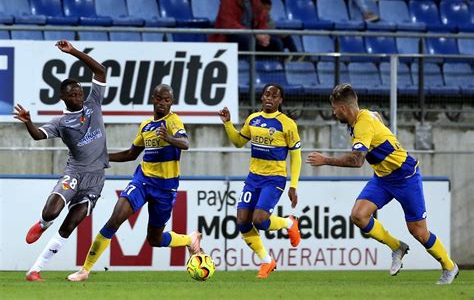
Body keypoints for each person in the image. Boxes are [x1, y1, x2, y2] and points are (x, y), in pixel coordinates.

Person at [306, 83, 459, 285]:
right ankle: (397, 247)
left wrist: (326, 160)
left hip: (405, 177)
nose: (333, 113)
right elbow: (377, 117)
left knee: (419, 232)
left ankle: (449, 266)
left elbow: (357, 161)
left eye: (334, 109)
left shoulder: (362, 125)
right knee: (358, 215)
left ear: (343, 108)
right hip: (383, 178)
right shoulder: (365, 116)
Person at [67, 84, 202, 282]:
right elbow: (131, 154)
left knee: (155, 239)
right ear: (153, 99)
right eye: (159, 99)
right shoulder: (146, 125)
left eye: (167, 100)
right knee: (115, 219)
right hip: (143, 180)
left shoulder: (173, 121)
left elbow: (186, 144)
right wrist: (102, 158)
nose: (162, 103)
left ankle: (189, 240)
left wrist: (170, 138)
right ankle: (85, 270)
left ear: (171, 103)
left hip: (165, 188)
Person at [14, 40, 108, 282]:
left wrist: (74, 52)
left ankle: (34, 270)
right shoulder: (60, 122)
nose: (79, 96)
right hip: (75, 174)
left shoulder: (93, 103)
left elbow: (100, 71)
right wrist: (28, 122)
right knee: (52, 211)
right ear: (63, 97)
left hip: (95, 180)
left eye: (80, 92)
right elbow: (38, 136)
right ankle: (43, 223)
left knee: (70, 224)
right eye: (73, 94)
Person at [218, 83, 302, 279]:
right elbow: (239, 143)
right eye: (266, 94)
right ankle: (266, 260)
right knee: (242, 221)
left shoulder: (287, 124)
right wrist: (228, 123)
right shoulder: (253, 119)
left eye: (274, 96)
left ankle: (289, 223)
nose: (269, 98)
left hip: (274, 179)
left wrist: (294, 185)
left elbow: (296, 156)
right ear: (262, 97)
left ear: (280, 100)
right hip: (253, 178)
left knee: (260, 220)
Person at [209, 0, 284, 52]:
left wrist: (263, 35)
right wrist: (254, 34)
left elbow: (262, 22)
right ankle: (245, 66)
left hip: (251, 37)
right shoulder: (228, 0)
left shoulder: (255, 1)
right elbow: (229, 25)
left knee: (276, 43)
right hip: (230, 39)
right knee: (245, 39)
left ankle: (275, 67)